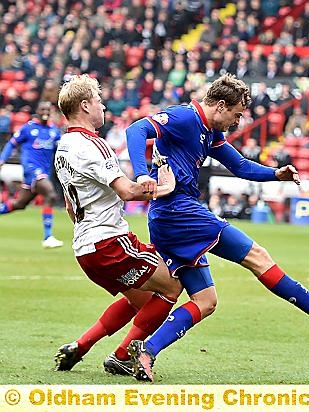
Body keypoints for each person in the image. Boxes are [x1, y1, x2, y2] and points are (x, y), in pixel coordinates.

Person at [124, 74, 309, 381]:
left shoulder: (208, 130)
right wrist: (140, 174)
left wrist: (275, 174)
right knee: (258, 255)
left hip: (169, 216)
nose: (237, 122)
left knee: (206, 301)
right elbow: (137, 129)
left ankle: (146, 352)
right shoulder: (185, 116)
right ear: (219, 105)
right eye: (236, 114)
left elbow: (240, 165)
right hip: (179, 211)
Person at [52, 74, 183, 376]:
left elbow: (71, 208)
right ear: (85, 106)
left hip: (84, 248)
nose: (104, 107)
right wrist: (161, 186)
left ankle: (81, 345)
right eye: (99, 101)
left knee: (144, 299)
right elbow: (127, 190)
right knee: (174, 283)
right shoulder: (93, 145)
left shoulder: (63, 148)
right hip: (110, 241)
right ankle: (124, 355)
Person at [0, 101, 64, 248]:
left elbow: (61, 150)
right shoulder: (28, 128)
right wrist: (2, 159)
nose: (45, 112)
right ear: (37, 110)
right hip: (32, 170)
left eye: (48, 110)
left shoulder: (54, 131)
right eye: (42, 109)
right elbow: (11, 143)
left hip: (44, 172)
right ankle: (48, 237)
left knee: (19, 204)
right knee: (51, 195)